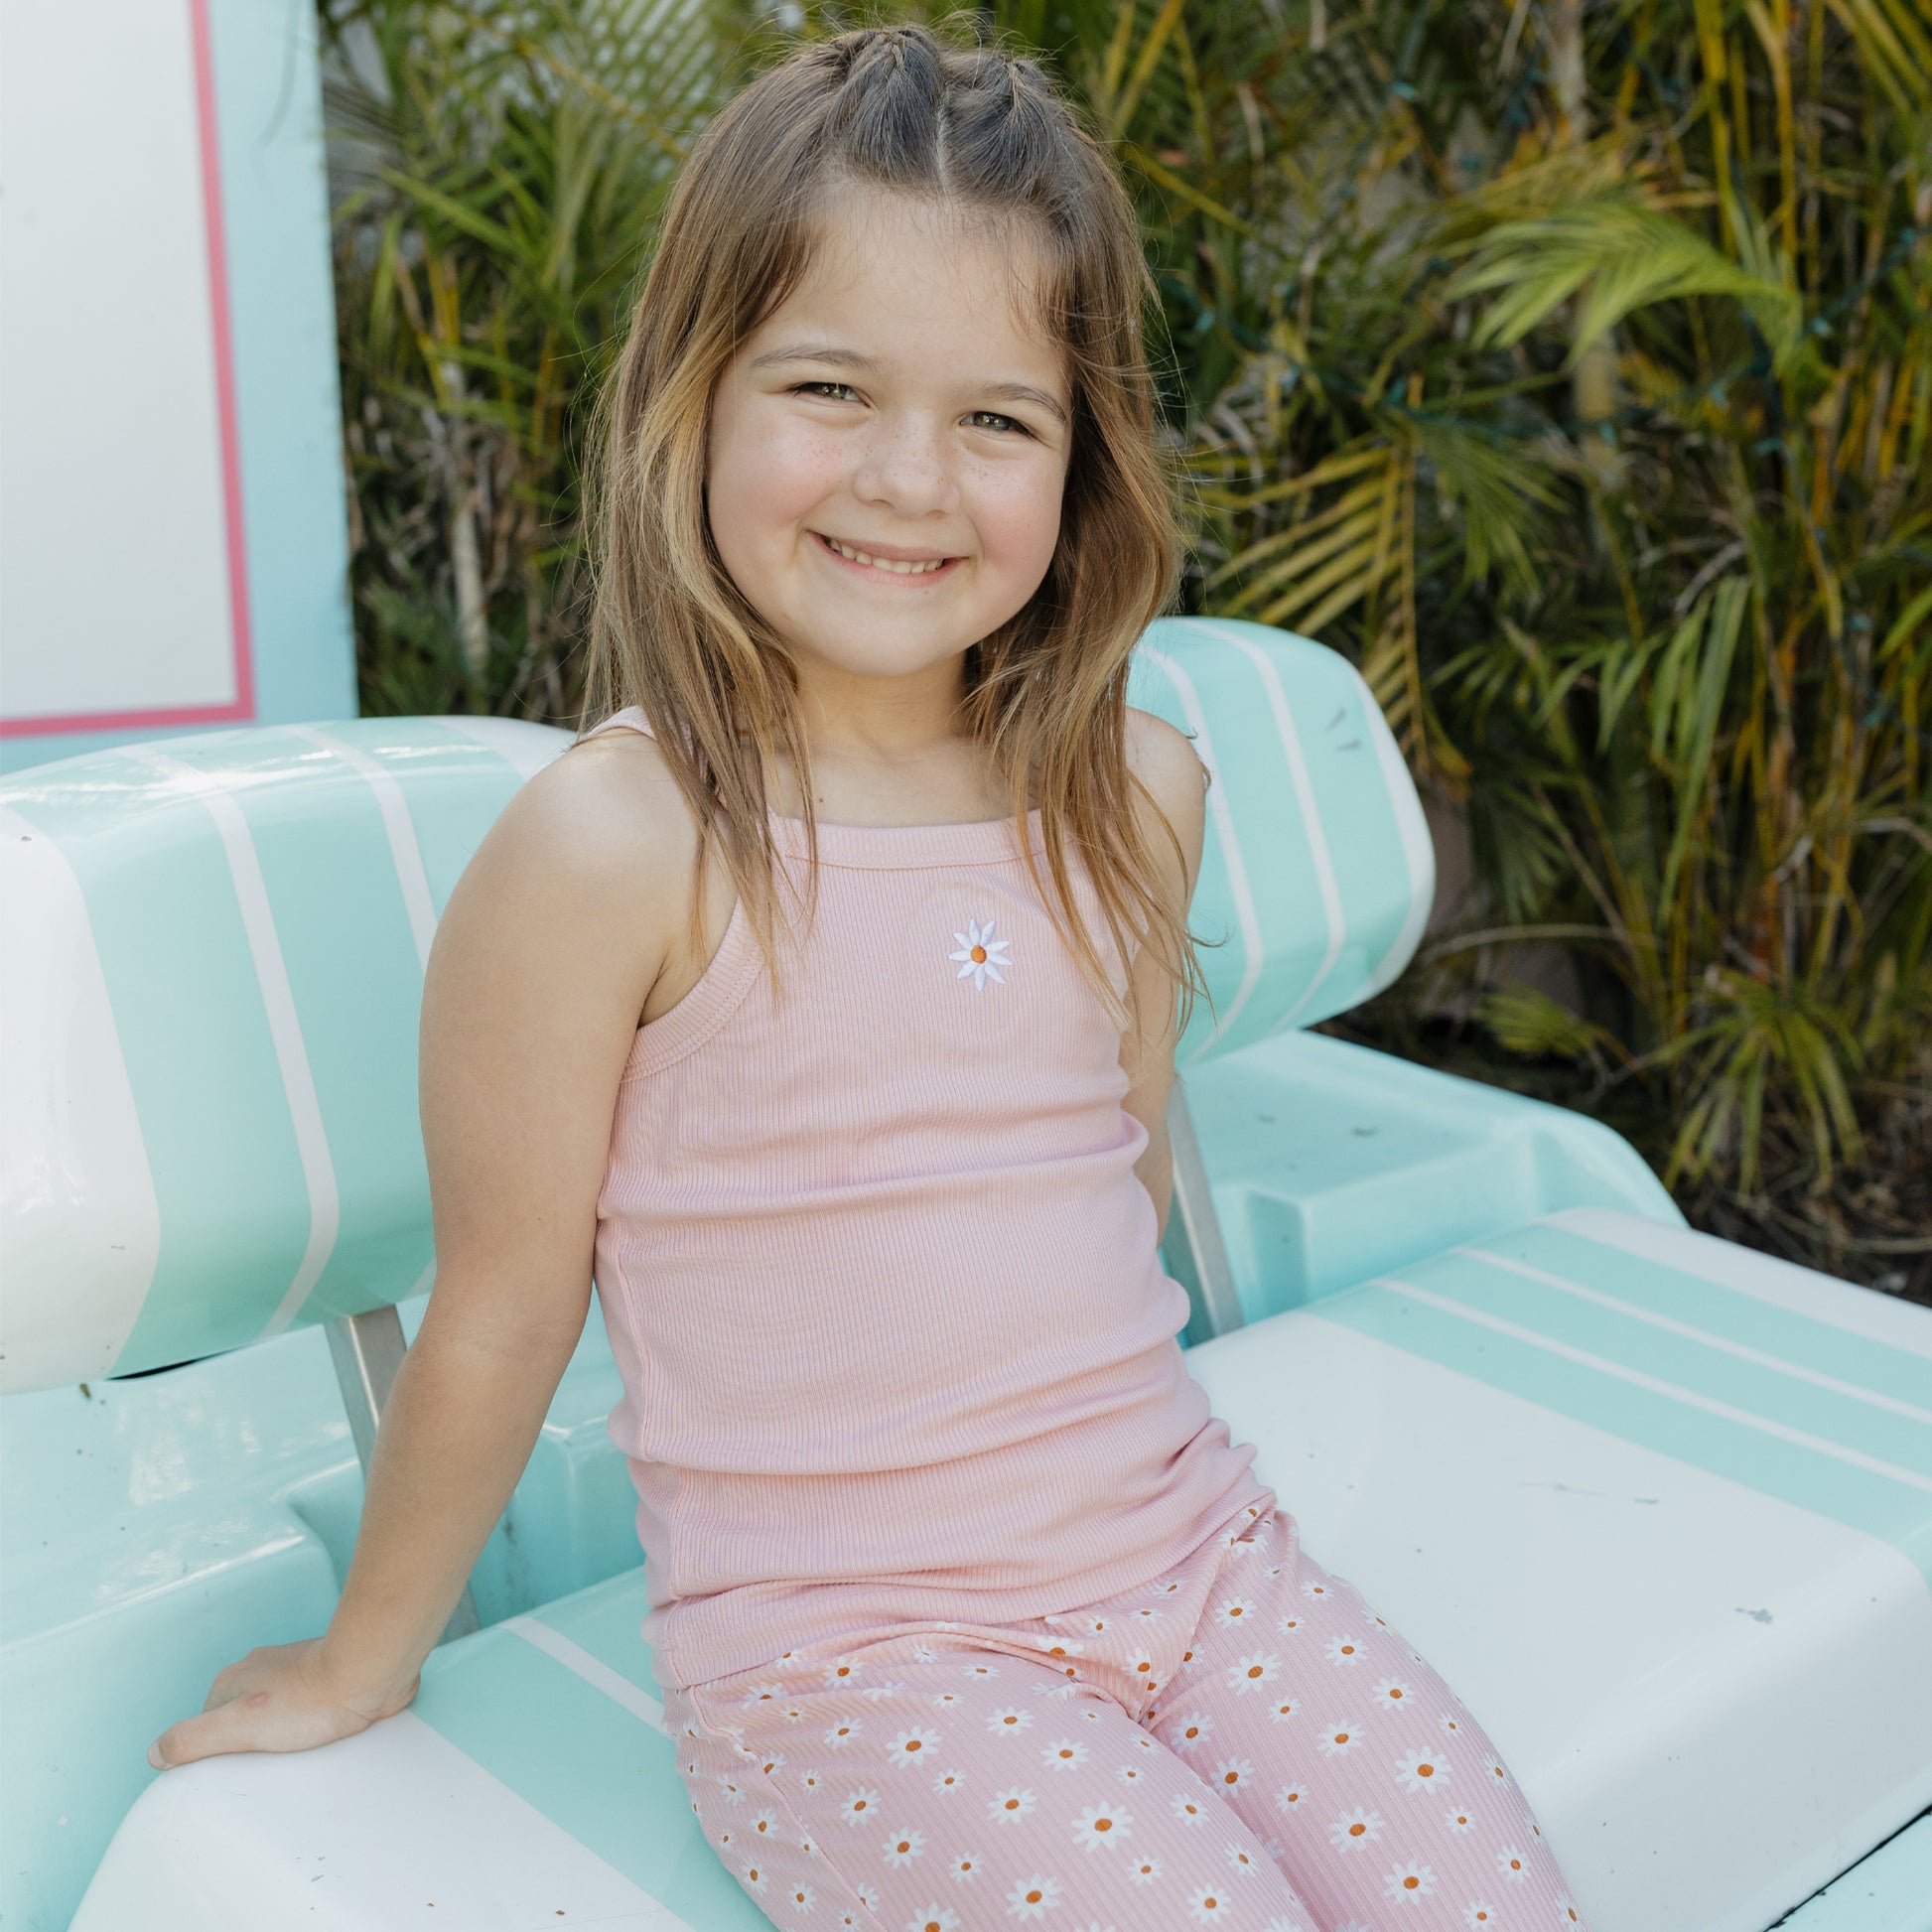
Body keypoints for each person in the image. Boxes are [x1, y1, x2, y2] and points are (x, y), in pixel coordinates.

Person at [147, 18, 1590, 1928]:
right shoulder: (619, 842)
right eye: (830, 386)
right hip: (853, 1666)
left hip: (1203, 1563)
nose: (909, 478)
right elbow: (498, 1312)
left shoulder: (1133, 789)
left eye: (996, 417)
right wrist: (360, 1658)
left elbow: (1117, 1170)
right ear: (698, 396)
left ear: (1079, 467)